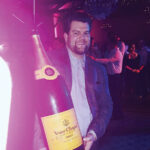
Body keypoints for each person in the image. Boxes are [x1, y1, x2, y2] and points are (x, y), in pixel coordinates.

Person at [33, 11, 113, 150]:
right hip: (56, 143)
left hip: (88, 141)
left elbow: (106, 106)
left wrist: (94, 133)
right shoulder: (49, 62)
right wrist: (39, 145)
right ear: (66, 36)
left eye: (86, 33)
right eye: (76, 33)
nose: (82, 38)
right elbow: (35, 104)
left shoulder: (98, 69)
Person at [90, 32, 125, 119]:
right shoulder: (110, 51)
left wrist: (95, 59)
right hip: (112, 77)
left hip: (116, 77)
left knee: (116, 97)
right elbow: (104, 58)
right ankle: (116, 114)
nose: (107, 44)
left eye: (109, 43)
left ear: (113, 44)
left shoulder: (117, 52)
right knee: (113, 96)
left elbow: (107, 60)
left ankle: (119, 115)